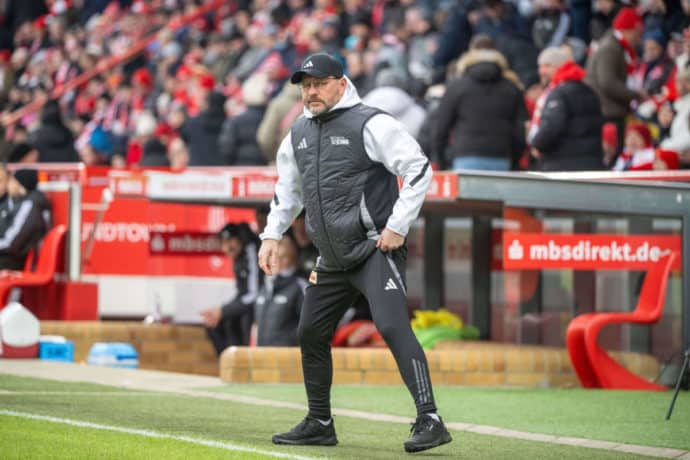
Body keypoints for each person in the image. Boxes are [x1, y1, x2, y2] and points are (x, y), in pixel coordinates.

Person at [258, 53, 451, 453]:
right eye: (305, 85)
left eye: (319, 83)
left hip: (373, 249)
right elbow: (286, 190)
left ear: (341, 84)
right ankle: (320, 421)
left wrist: (397, 226)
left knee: (393, 326)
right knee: (310, 332)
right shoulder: (297, 132)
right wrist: (271, 235)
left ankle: (429, 419)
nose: (311, 91)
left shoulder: (372, 122)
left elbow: (418, 169)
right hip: (330, 258)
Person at [528, 47, 604, 171]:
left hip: (562, 165)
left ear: (559, 67)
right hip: (590, 164)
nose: (541, 71)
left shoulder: (559, 93)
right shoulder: (588, 90)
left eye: (547, 66)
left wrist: (537, 144)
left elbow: (551, 127)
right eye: (540, 66)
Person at [585, 7, 644, 156]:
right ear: (628, 30)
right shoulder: (611, 48)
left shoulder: (614, 45)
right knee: (612, 154)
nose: (638, 39)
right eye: (637, 34)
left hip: (608, 111)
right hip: (609, 113)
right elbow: (608, 82)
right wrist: (636, 95)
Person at [200, 222, 262, 355]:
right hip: (248, 302)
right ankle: (228, 363)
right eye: (223, 243)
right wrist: (221, 311)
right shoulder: (238, 257)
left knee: (243, 318)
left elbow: (253, 294)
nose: (227, 247)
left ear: (239, 240)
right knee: (215, 323)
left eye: (230, 241)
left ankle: (243, 363)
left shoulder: (251, 250)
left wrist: (223, 310)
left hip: (261, 304)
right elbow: (242, 294)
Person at [253, 236, 307, 346]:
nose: (276, 261)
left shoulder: (300, 286)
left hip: (287, 357)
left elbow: (310, 325)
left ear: (292, 259)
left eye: (282, 257)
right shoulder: (265, 286)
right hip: (261, 355)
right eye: (272, 256)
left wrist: (289, 343)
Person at [0, 169, 52, 270]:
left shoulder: (29, 205)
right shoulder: (16, 203)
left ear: (20, 184)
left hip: (13, 261)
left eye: (11, 181)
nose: (8, 185)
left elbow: (11, 243)